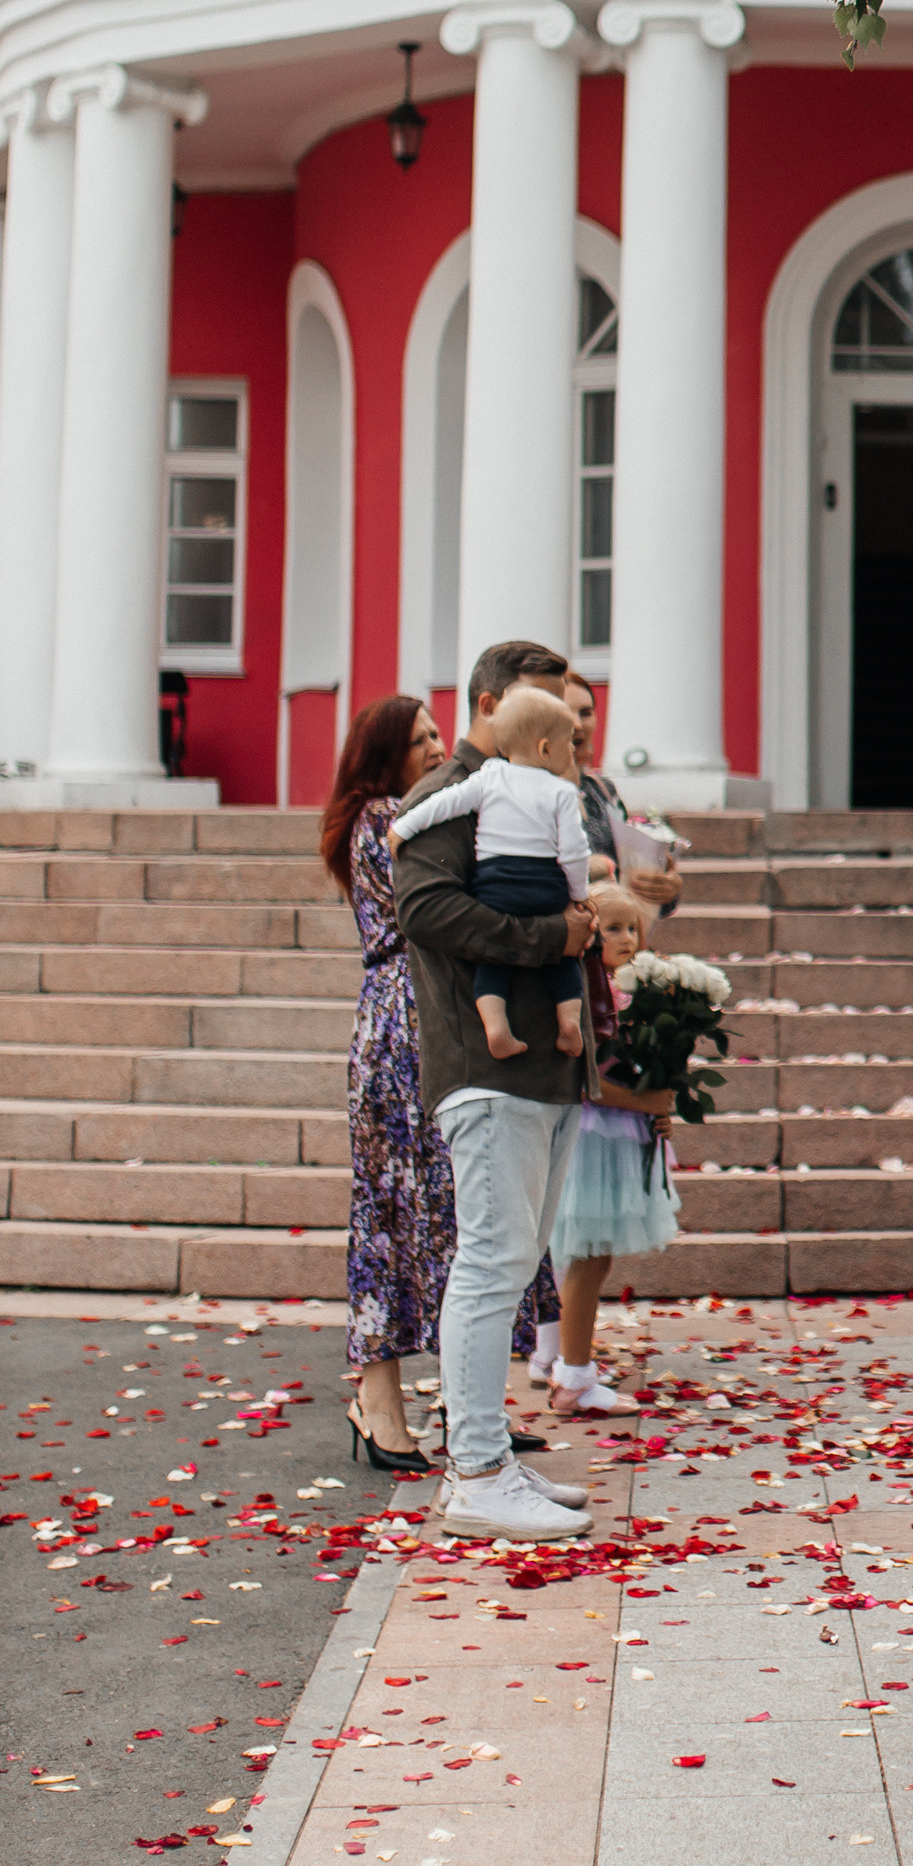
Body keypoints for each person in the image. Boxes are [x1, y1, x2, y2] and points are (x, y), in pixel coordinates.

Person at [394, 636, 602, 1544]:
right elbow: (424, 909)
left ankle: (491, 1459)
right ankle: (475, 1473)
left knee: (512, 1263)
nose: (562, 727)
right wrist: (553, 937)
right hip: (485, 1065)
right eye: (543, 706)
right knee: (489, 1263)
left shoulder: (539, 786)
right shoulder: (450, 793)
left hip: (543, 1065)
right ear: (490, 703)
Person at [324, 692, 451, 1475]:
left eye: (438, 732)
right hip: (401, 1019)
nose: (438, 746)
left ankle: (405, 1398)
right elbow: (428, 912)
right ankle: (379, 1401)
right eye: (420, 739)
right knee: (390, 1211)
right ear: (385, 756)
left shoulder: (401, 814)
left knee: (418, 1207)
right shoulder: (382, 819)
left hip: (415, 1012)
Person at [538, 880, 678, 1417]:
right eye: (613, 928)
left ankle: (566, 1362)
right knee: (587, 1252)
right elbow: (587, 1076)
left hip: (625, 1131)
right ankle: (569, 1373)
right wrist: (648, 1102)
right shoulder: (587, 993)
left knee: (596, 1258)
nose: (627, 938)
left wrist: (662, 1109)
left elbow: (652, 1075)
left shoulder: (640, 993)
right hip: (597, 1135)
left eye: (634, 928)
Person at [392, 684, 593, 1057]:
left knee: (493, 959)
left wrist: (402, 828)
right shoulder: (561, 792)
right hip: (546, 886)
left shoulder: (489, 777)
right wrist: (579, 896)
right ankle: (568, 1023)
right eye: (568, 743)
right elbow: (574, 853)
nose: (573, 750)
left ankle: (496, 1027)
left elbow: (444, 803)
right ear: (546, 749)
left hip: (495, 885)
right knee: (565, 955)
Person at [565, 675, 686, 914]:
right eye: (566, 714)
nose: (578, 724)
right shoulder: (535, 792)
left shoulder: (602, 790)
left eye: (586, 712)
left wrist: (665, 888)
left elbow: (630, 878)